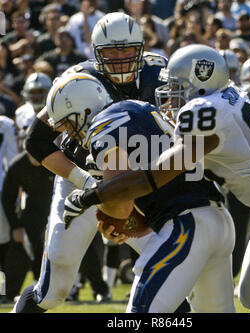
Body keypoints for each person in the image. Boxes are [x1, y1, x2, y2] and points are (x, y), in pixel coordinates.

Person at [64, 44, 250, 313]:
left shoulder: (202, 110)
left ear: (200, 82)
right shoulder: (228, 97)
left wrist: (89, 195)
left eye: (176, 86)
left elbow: (151, 178)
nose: (169, 96)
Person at [11, 12, 168, 313]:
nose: (120, 58)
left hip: (135, 184)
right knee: (54, 288)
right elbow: (37, 141)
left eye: (127, 50)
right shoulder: (78, 81)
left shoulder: (158, 76)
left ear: (140, 47)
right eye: (111, 51)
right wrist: (86, 183)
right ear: (96, 52)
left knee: (169, 267)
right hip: (81, 180)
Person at [47, 72, 236, 313]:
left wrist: (109, 220)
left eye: (69, 124)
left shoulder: (103, 125)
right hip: (218, 218)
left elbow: (121, 200)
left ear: (84, 111)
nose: (70, 135)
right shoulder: (141, 108)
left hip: (186, 225)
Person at [1, 150, 54, 303]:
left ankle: (99, 291)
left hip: (57, 212)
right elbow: (7, 199)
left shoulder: (54, 159)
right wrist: (15, 226)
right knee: (18, 250)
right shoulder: (18, 165)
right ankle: (8, 294)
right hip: (32, 213)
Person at [0, 115, 18, 290]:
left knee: (3, 243)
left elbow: (12, 158)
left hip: (1, 187)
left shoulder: (5, 124)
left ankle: (3, 289)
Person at [15, 72, 52, 150]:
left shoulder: (56, 111)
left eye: (39, 92)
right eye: (33, 92)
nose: (36, 96)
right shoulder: (20, 112)